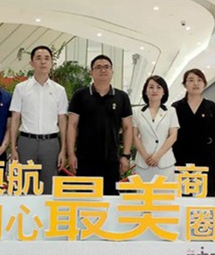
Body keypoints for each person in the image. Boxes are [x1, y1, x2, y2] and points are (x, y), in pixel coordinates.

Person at [67, 55, 133, 195]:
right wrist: (71, 154)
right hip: (85, 159)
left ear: (112, 71)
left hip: (111, 159)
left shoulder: (122, 97)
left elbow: (127, 128)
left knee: (110, 199)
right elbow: (72, 125)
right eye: (98, 67)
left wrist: (125, 155)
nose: (103, 70)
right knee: (85, 199)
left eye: (106, 67)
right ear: (91, 72)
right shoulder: (80, 95)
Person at [10, 46, 68, 195]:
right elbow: (15, 119)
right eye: (39, 58)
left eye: (47, 58)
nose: (43, 62)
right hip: (27, 142)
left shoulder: (59, 90)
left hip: (51, 143)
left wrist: (63, 149)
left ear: (51, 63)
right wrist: (13, 148)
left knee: (49, 187)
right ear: (31, 63)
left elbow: (62, 121)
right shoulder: (21, 88)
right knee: (26, 187)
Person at [172, 69, 215, 197]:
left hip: (206, 156)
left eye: (199, 80)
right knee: (183, 194)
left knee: (206, 194)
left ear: (204, 83)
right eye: (191, 80)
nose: (195, 83)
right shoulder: (176, 107)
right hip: (181, 156)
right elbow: (171, 135)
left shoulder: (211, 106)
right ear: (185, 84)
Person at [133, 76, 179, 182]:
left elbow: (173, 135)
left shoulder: (171, 111)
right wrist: (146, 157)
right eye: (151, 87)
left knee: (165, 192)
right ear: (145, 91)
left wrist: (157, 156)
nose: (154, 90)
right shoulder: (136, 112)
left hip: (165, 161)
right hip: (143, 162)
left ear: (164, 92)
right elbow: (134, 136)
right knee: (143, 191)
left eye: (158, 87)